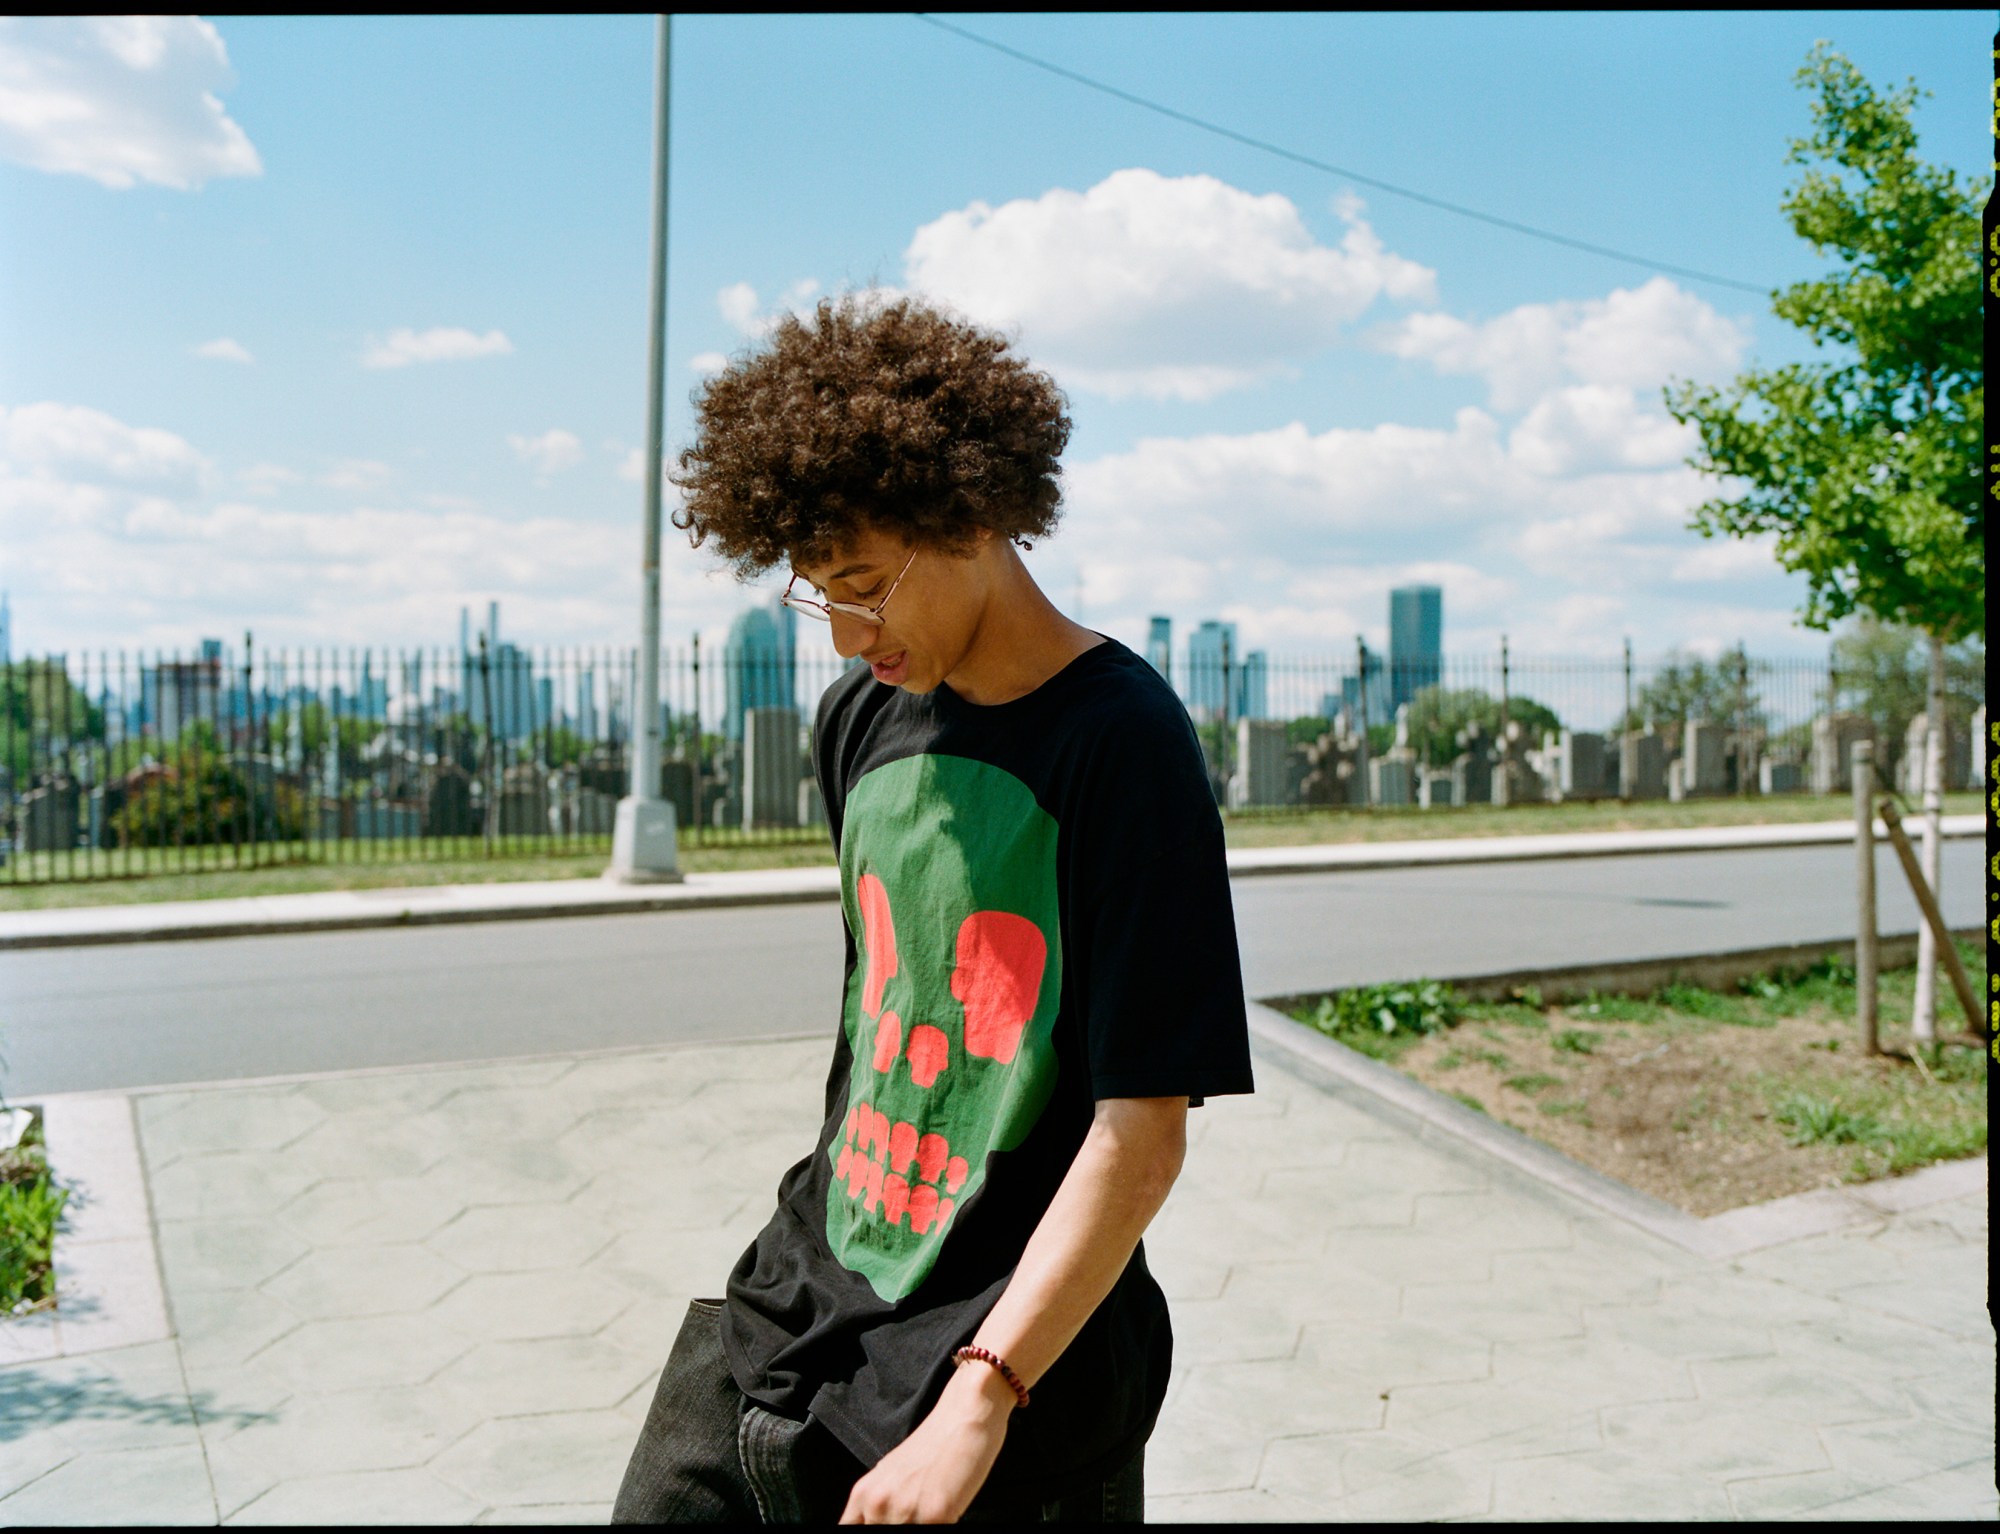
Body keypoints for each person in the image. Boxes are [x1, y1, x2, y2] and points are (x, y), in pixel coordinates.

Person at [611, 293, 1252, 1525]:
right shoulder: (855, 722)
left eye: (864, 584)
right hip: (799, 1303)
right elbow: (877, 1026)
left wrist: (981, 1395)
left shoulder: (1122, 744)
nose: (849, 636)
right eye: (816, 595)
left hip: (1008, 1366)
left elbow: (1140, 1134)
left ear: (972, 516)